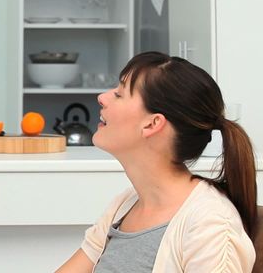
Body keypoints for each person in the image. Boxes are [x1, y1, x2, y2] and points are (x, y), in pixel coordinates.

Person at [56, 51, 257, 273]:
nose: (102, 97)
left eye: (120, 94)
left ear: (152, 124)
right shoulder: (125, 205)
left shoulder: (211, 226)